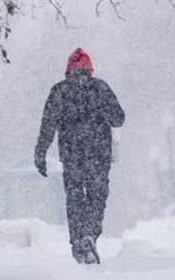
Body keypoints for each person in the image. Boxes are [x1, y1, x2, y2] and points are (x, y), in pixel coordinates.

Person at [34, 47, 125, 264]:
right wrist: (100, 110)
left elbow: (48, 125)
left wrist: (41, 152)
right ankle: (89, 235)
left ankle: (78, 241)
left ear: (68, 70)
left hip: (72, 155)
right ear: (90, 69)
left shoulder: (59, 91)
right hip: (98, 155)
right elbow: (118, 119)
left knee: (74, 199)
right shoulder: (100, 88)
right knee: (96, 197)